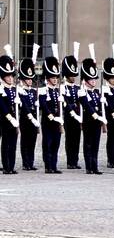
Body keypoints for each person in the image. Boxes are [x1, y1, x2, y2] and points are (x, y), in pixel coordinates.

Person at [78, 48, 106, 174]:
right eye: (91, 79)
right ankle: (89, 166)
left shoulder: (96, 92)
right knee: (88, 144)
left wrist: (102, 114)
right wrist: (97, 116)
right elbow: (87, 107)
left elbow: (99, 107)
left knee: (95, 145)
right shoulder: (82, 92)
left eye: (95, 79)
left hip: (97, 123)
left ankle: (95, 166)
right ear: (86, 80)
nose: (94, 81)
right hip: (89, 121)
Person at [40, 46, 64, 174]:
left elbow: (61, 105)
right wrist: (52, 117)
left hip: (57, 121)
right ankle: (48, 166)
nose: (55, 79)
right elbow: (43, 105)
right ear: (48, 78)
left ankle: (54, 166)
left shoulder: (58, 90)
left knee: (56, 144)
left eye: (56, 77)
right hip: (48, 121)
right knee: (48, 144)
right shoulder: (44, 89)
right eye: (53, 77)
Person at [18, 44, 40, 171]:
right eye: (28, 78)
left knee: (32, 141)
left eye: (31, 78)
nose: (30, 80)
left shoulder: (33, 91)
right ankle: (25, 162)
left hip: (34, 119)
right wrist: (31, 117)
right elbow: (25, 107)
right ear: (23, 79)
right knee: (25, 141)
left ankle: (30, 162)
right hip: (26, 120)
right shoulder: (21, 91)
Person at [62, 42, 82, 170]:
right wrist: (73, 113)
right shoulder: (63, 88)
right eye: (71, 75)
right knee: (70, 140)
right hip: (69, 117)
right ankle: (70, 161)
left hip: (78, 117)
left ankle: (75, 160)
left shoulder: (77, 88)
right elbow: (66, 103)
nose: (74, 77)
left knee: (77, 139)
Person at [0, 45, 19, 174]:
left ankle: (11, 166)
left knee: (13, 145)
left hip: (15, 120)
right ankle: (6, 166)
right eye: (7, 76)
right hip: (5, 120)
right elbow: (2, 105)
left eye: (11, 76)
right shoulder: (1, 89)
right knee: (6, 144)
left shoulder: (13, 89)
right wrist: (10, 118)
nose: (10, 78)